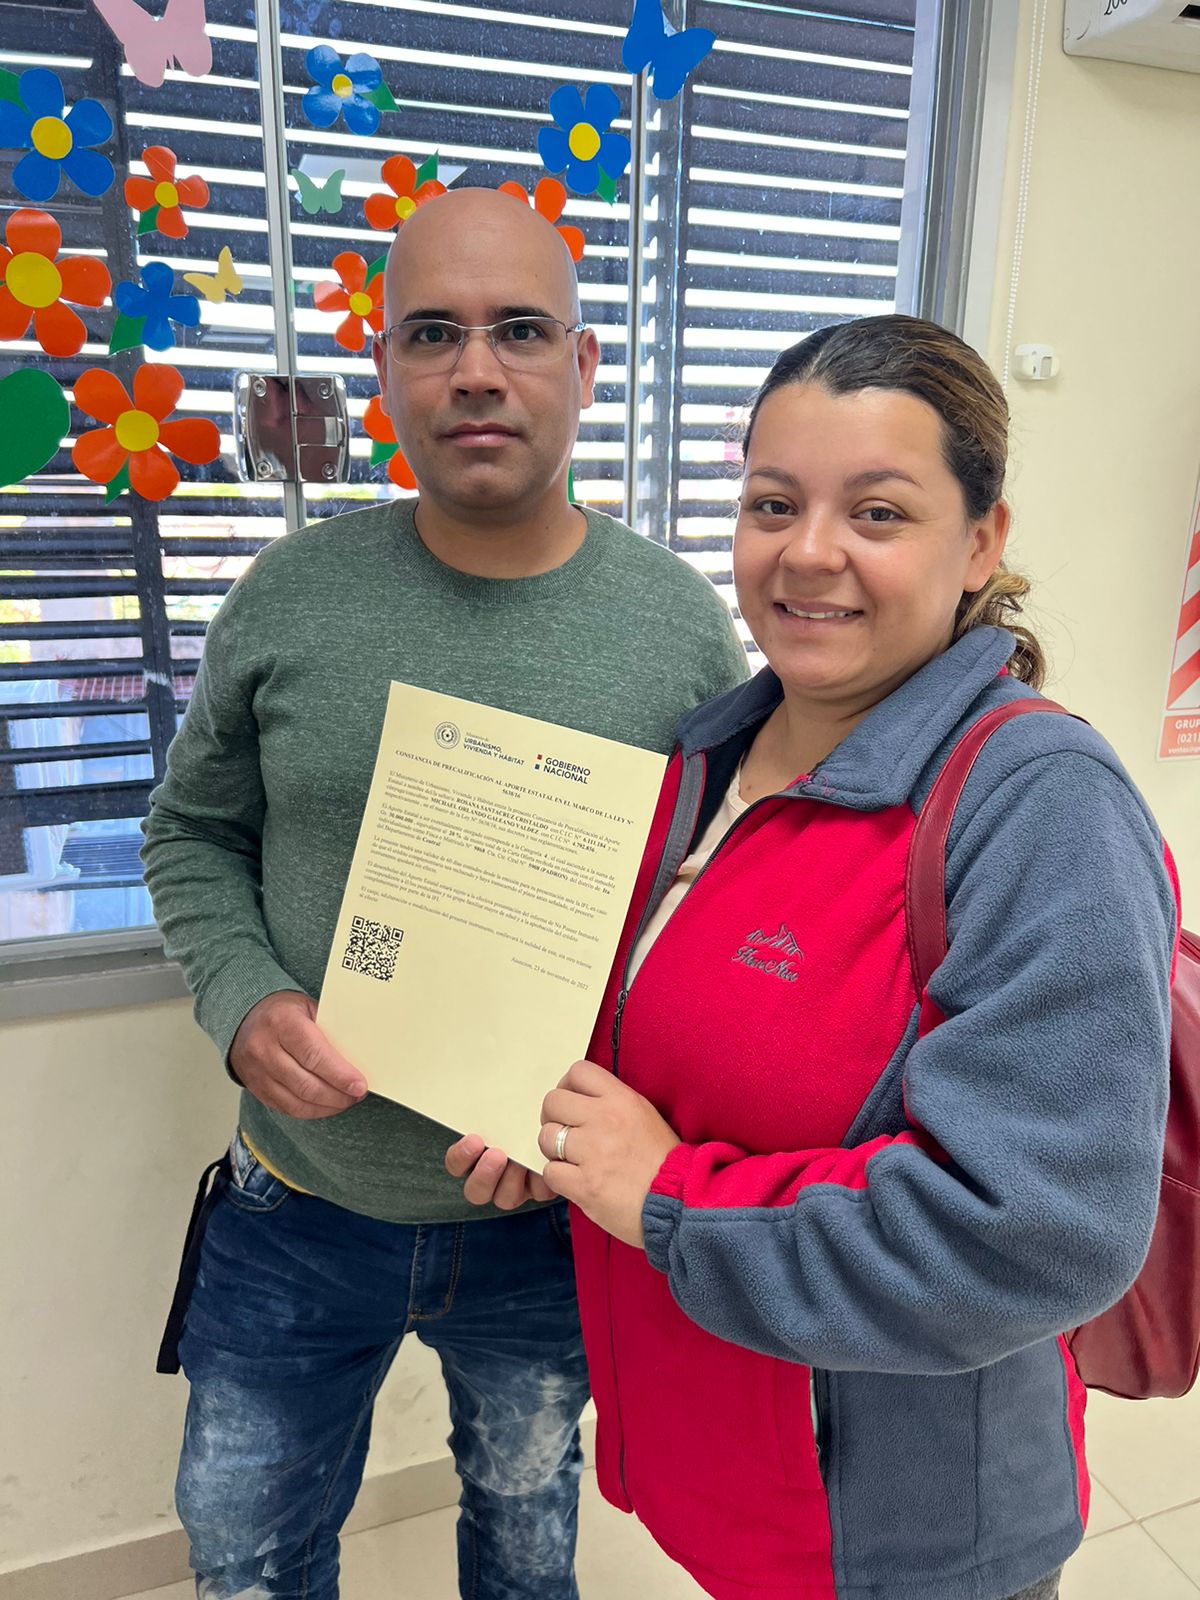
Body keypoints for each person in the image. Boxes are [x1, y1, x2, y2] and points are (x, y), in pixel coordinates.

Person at [449, 315, 1178, 1600]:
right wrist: (553, 1126)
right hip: (724, 1468)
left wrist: (665, 1192)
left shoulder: (1039, 804)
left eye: (877, 512)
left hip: (905, 1538)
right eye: (772, 503)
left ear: (983, 542)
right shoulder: (704, 760)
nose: (808, 551)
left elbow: (1037, 1234)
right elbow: (669, 1057)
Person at [140, 186, 747, 1600]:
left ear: (583, 365)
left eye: (520, 330)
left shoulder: (680, 630)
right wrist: (243, 1000)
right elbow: (190, 834)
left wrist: (612, 1100)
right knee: (243, 1555)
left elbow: (702, 917)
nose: (477, 370)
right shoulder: (289, 597)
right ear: (386, 370)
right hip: (297, 1202)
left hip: (542, 1220)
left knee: (527, 1550)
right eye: (433, 334)